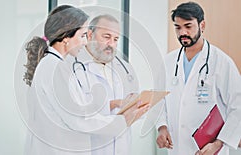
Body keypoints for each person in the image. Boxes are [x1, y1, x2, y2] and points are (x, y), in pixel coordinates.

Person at [22, 5, 149, 155]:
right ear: (66, 36)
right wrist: (123, 121)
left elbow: (80, 108)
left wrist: (117, 104)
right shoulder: (56, 68)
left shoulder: (54, 64)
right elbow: (79, 119)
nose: (84, 42)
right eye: (82, 35)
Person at [156, 2, 241, 155]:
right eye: (178, 27)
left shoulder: (222, 62)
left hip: (209, 149)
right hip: (176, 147)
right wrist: (162, 127)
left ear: (202, 25)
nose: (183, 32)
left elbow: (238, 107)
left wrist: (218, 144)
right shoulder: (168, 62)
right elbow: (159, 99)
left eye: (188, 26)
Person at [73, 14, 141, 155]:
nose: (111, 43)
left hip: (122, 147)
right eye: (106, 37)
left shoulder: (125, 68)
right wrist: (115, 103)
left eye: (116, 39)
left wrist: (138, 106)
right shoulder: (75, 68)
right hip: (92, 147)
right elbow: (78, 114)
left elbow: (132, 107)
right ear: (90, 35)